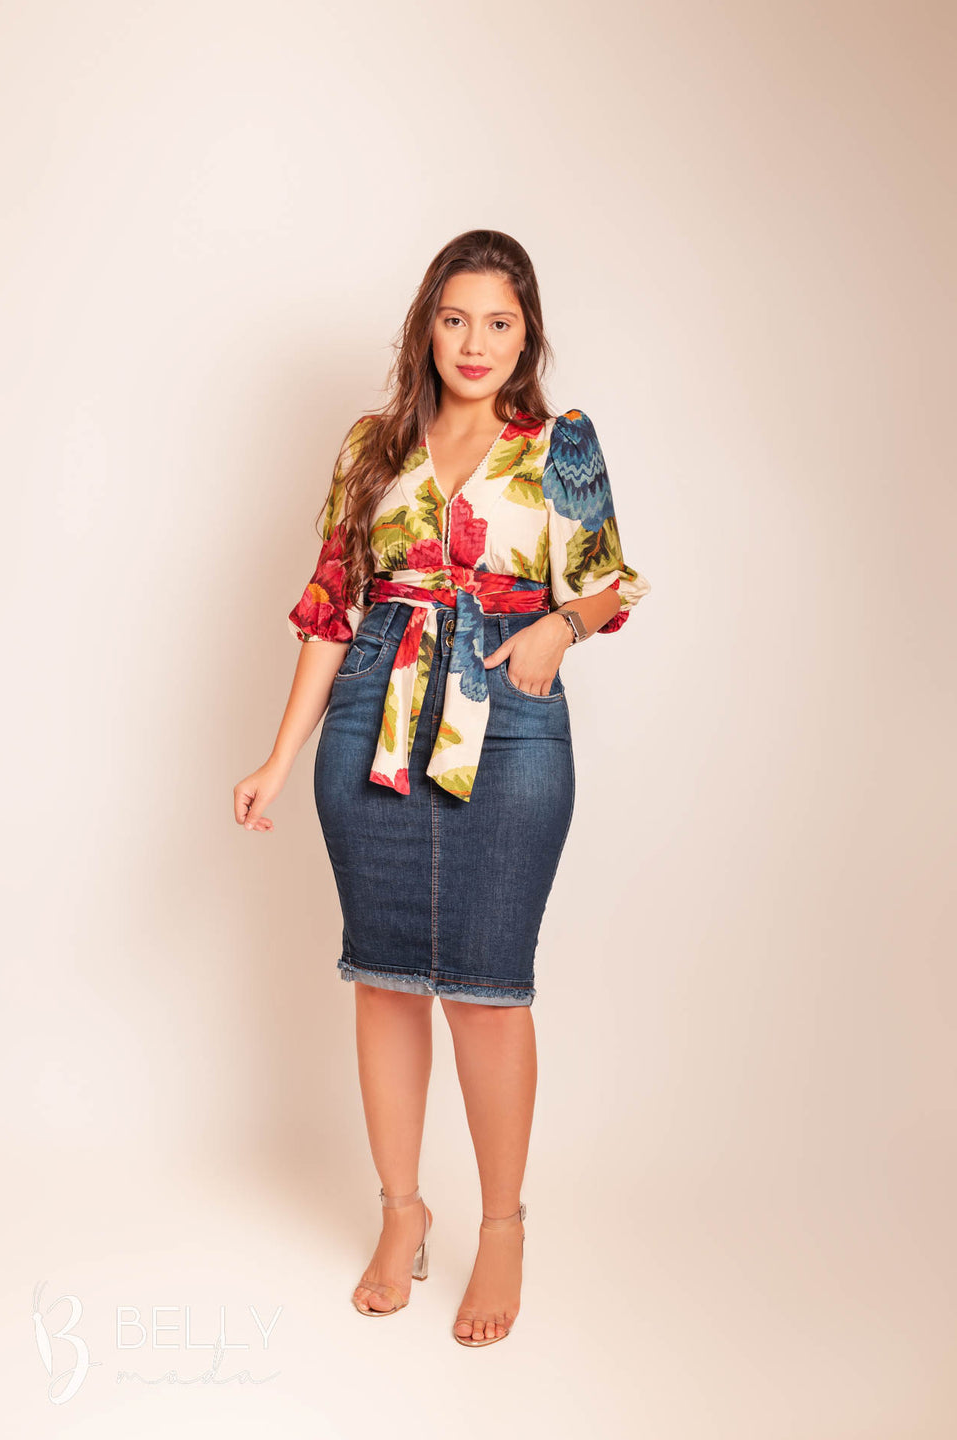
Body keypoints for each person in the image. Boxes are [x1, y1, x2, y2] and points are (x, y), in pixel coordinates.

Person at [233, 229, 651, 1347]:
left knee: (487, 988)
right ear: (427, 326)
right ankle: (402, 1212)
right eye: (456, 318)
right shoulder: (372, 445)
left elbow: (607, 582)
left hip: (508, 718)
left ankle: (501, 1228)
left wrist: (559, 628)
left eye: (499, 323)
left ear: (527, 336)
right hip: (373, 710)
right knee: (382, 980)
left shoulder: (559, 443)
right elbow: (333, 606)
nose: (475, 342)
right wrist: (278, 757)